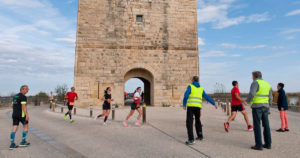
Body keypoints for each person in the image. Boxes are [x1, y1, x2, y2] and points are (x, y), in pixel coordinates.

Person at [183, 76, 217, 145]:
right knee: (198, 121)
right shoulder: (201, 89)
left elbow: (186, 95)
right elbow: (206, 97)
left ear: (192, 80)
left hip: (191, 107)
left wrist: (184, 104)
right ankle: (200, 136)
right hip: (198, 107)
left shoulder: (190, 86)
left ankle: (191, 139)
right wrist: (214, 103)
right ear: (198, 81)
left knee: (189, 123)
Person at [246, 71, 272, 150]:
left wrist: (247, 101)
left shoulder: (255, 83)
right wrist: (269, 107)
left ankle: (259, 145)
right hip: (265, 107)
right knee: (266, 125)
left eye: (252, 76)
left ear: (254, 76)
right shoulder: (267, 84)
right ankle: (268, 144)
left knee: (257, 126)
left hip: (257, 107)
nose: (252, 77)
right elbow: (270, 97)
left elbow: (252, 94)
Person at [9, 85, 30, 149]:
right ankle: (23, 142)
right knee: (26, 126)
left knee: (15, 127)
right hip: (21, 114)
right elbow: (23, 106)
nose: (27, 90)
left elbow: (12, 105)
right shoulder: (23, 96)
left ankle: (12, 144)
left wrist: (16, 109)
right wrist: (26, 114)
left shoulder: (15, 96)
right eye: (26, 89)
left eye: (28, 89)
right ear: (22, 89)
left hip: (14, 114)